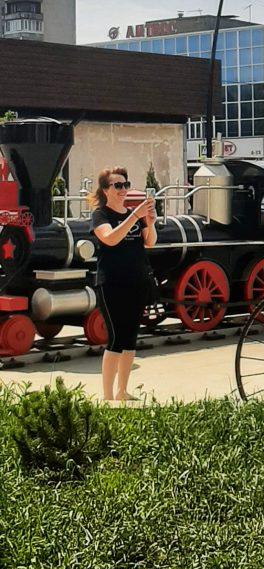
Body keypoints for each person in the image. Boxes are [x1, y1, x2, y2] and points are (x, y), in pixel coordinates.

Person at [91, 167, 157, 403]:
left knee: (130, 338)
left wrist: (150, 221)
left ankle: (122, 390)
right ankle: (107, 396)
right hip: (112, 284)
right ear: (106, 190)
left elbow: (149, 242)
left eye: (125, 185)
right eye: (117, 185)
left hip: (137, 281)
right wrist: (135, 217)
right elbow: (110, 238)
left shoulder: (133, 214)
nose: (123, 190)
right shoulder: (101, 215)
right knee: (116, 339)